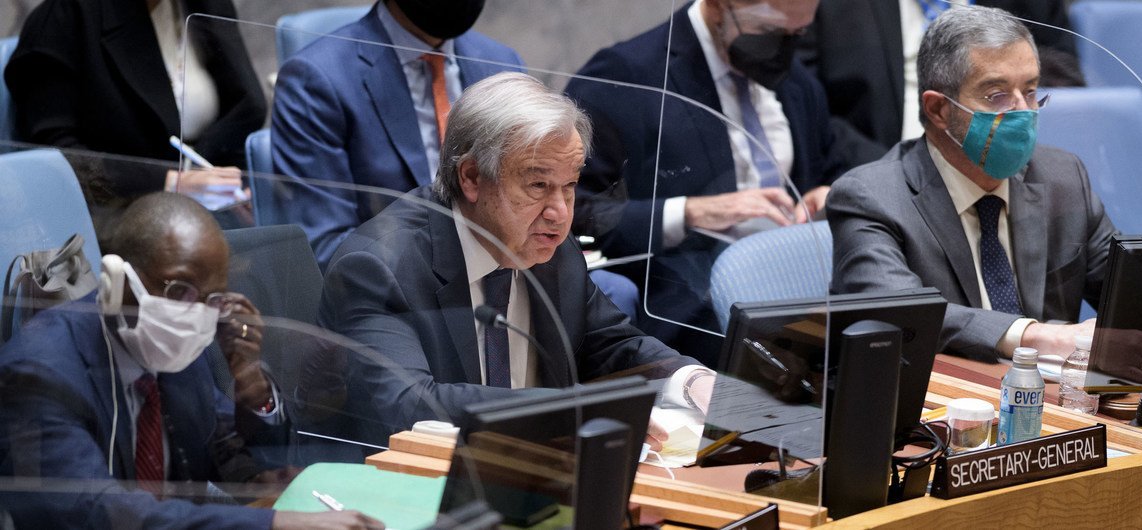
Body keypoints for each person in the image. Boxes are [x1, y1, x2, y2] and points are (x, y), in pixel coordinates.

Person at [319, 72, 713, 441]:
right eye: (538, 185)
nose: (559, 211)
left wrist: (691, 380)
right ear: (472, 178)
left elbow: (611, 343)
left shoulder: (549, 246)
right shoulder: (380, 267)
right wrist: (572, 411)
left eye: (570, 186)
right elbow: (409, 405)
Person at [0, 193, 377, 529]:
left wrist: (250, 383)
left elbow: (227, 456)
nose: (196, 315)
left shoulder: (177, 353)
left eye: (213, 298)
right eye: (179, 290)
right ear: (118, 284)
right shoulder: (38, 373)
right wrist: (274, 523)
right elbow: (94, 512)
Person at [563, 0, 882, 365]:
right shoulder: (625, 76)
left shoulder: (794, 81)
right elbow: (578, 207)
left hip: (798, 282)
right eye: (770, 33)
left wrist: (826, 194)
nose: (785, 51)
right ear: (719, 6)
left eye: (798, 34)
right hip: (685, 294)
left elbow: (830, 164)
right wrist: (690, 211)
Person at [826, 6, 1115, 363]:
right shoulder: (871, 198)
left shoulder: (1063, 178)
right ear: (938, 110)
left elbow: (1131, 294)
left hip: (1052, 404)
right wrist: (1035, 336)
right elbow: (901, 314)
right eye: (996, 96)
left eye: (1029, 91)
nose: (1022, 112)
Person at [270, 0, 523, 272]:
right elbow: (325, 247)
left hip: (502, 280)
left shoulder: (502, 65)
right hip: (395, 293)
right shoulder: (315, 80)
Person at [4, 0, 265, 204]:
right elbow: (56, 158)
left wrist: (234, 188)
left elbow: (242, 109)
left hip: (207, 199)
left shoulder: (203, 5)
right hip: (115, 210)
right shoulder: (61, 20)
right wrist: (170, 182)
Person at [799, 0, 1083, 150]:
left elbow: (1064, 74)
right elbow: (806, 108)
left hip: (1007, 161)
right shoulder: (823, 8)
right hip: (879, 164)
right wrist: (888, 172)